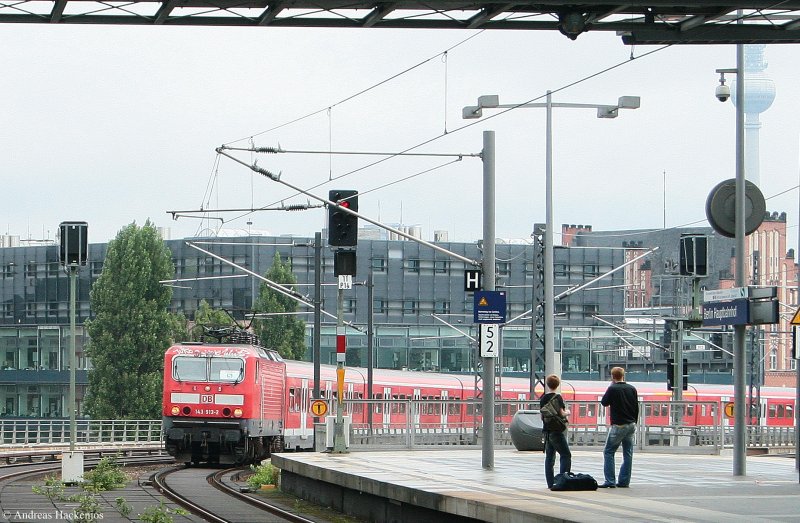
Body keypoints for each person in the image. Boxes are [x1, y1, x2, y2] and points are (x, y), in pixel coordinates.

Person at [599, 366, 639, 488]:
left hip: (618, 425)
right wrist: (634, 421)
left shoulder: (612, 388)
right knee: (628, 453)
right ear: (623, 375)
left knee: (609, 452)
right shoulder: (632, 389)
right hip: (631, 424)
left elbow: (604, 402)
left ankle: (610, 481)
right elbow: (636, 407)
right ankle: (624, 481)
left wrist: (611, 386)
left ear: (612, 376)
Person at [540, 374, 571, 489]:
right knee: (566, 455)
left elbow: (542, 416)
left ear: (547, 385)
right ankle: (563, 480)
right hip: (557, 431)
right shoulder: (558, 398)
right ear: (558, 385)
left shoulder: (543, 398)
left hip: (547, 431)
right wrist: (568, 412)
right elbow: (562, 413)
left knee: (549, 457)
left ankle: (550, 483)